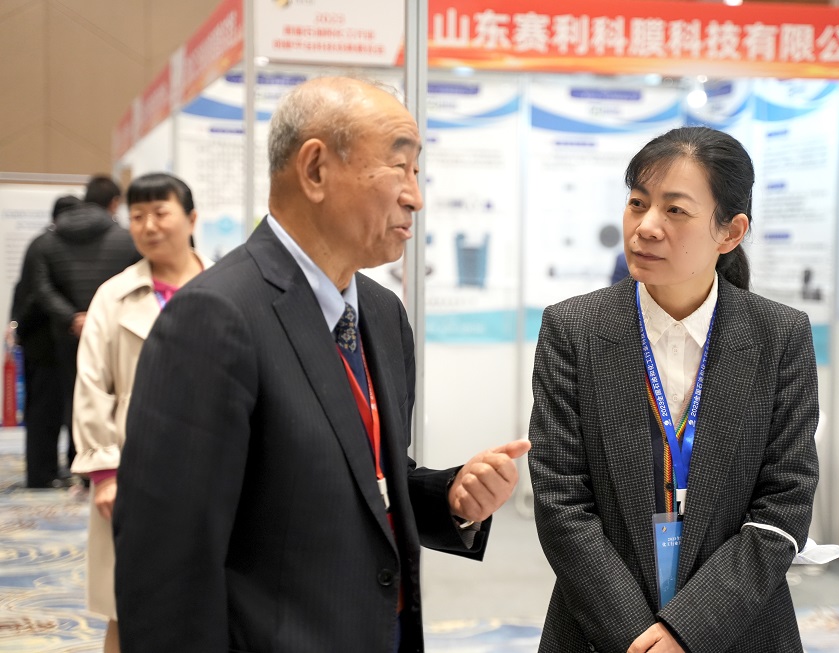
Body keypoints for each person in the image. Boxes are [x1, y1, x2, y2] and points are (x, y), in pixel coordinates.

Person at [114, 77, 531, 653]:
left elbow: (365, 478)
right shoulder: (216, 317)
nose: (415, 196)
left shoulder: (381, 314)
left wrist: (449, 498)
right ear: (315, 170)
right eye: (399, 167)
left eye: (417, 172)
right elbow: (166, 562)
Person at [529, 126, 819, 653]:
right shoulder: (574, 330)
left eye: (675, 210)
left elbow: (785, 500)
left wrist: (690, 630)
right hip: (600, 630)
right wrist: (636, 637)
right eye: (637, 203)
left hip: (741, 628)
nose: (645, 227)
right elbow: (560, 498)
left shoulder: (779, 336)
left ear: (730, 232)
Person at [70, 173, 210, 653]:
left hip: (212, 464)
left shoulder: (227, 286)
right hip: (134, 470)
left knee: (210, 601)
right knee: (128, 605)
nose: (148, 226)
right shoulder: (113, 296)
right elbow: (91, 385)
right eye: (137, 216)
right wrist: (105, 472)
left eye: (160, 213)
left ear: (191, 219)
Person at [30, 176, 141, 471]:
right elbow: (138, 280)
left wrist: (72, 317)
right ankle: (114, 462)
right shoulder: (127, 238)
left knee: (75, 396)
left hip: (67, 334)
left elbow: (41, 288)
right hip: (119, 330)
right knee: (118, 395)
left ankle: (79, 463)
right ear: (114, 203)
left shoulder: (46, 241)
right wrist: (101, 315)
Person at [10, 195, 82, 488]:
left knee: (48, 408)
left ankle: (48, 469)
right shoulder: (51, 247)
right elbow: (35, 294)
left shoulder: (43, 244)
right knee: (45, 411)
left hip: (43, 339)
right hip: (45, 340)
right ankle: (42, 473)